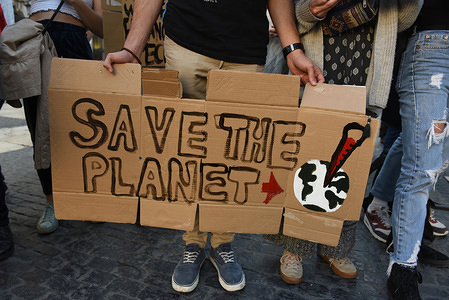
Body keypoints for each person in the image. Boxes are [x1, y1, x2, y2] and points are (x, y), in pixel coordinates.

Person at [103, 0, 324, 293]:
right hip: (188, 41)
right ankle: (192, 242)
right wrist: (132, 49)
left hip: (245, 50)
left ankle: (222, 243)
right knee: (188, 155)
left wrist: (292, 49)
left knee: (234, 157)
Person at [264, 0, 422, 285]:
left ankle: (335, 248)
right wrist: (314, 9)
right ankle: (294, 249)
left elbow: (404, 20)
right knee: (306, 166)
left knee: (353, 173)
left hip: (366, 77)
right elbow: (295, 14)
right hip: (317, 73)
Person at [368, 1, 449, 298]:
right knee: (424, 165)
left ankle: (384, 210)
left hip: (434, 44)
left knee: (430, 156)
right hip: (433, 45)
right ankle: (403, 263)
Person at [25, 0, 103, 234]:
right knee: (39, 124)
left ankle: (87, 197)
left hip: (72, 38)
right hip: (35, 40)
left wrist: (77, 3)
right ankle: (52, 202)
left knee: (84, 125)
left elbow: (101, 27)